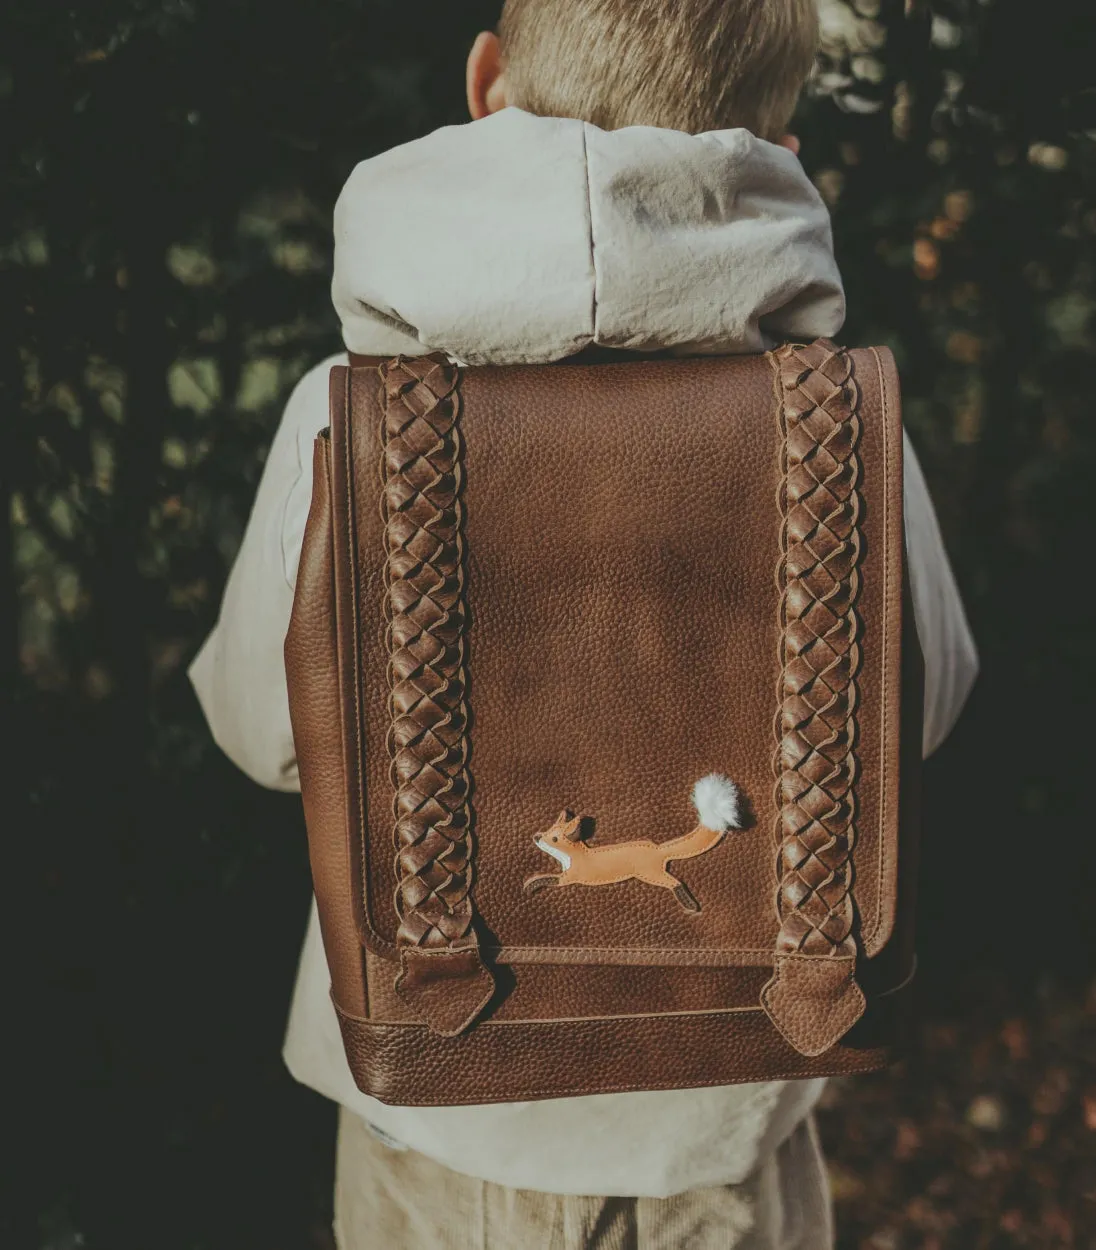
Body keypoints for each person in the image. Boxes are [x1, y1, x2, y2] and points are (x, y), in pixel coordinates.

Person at [189, 2, 979, 1246]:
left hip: (432, 1107)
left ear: (488, 83)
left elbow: (262, 729)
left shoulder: (344, 412)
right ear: (775, 138)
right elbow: (916, 715)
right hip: (714, 1123)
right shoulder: (833, 418)